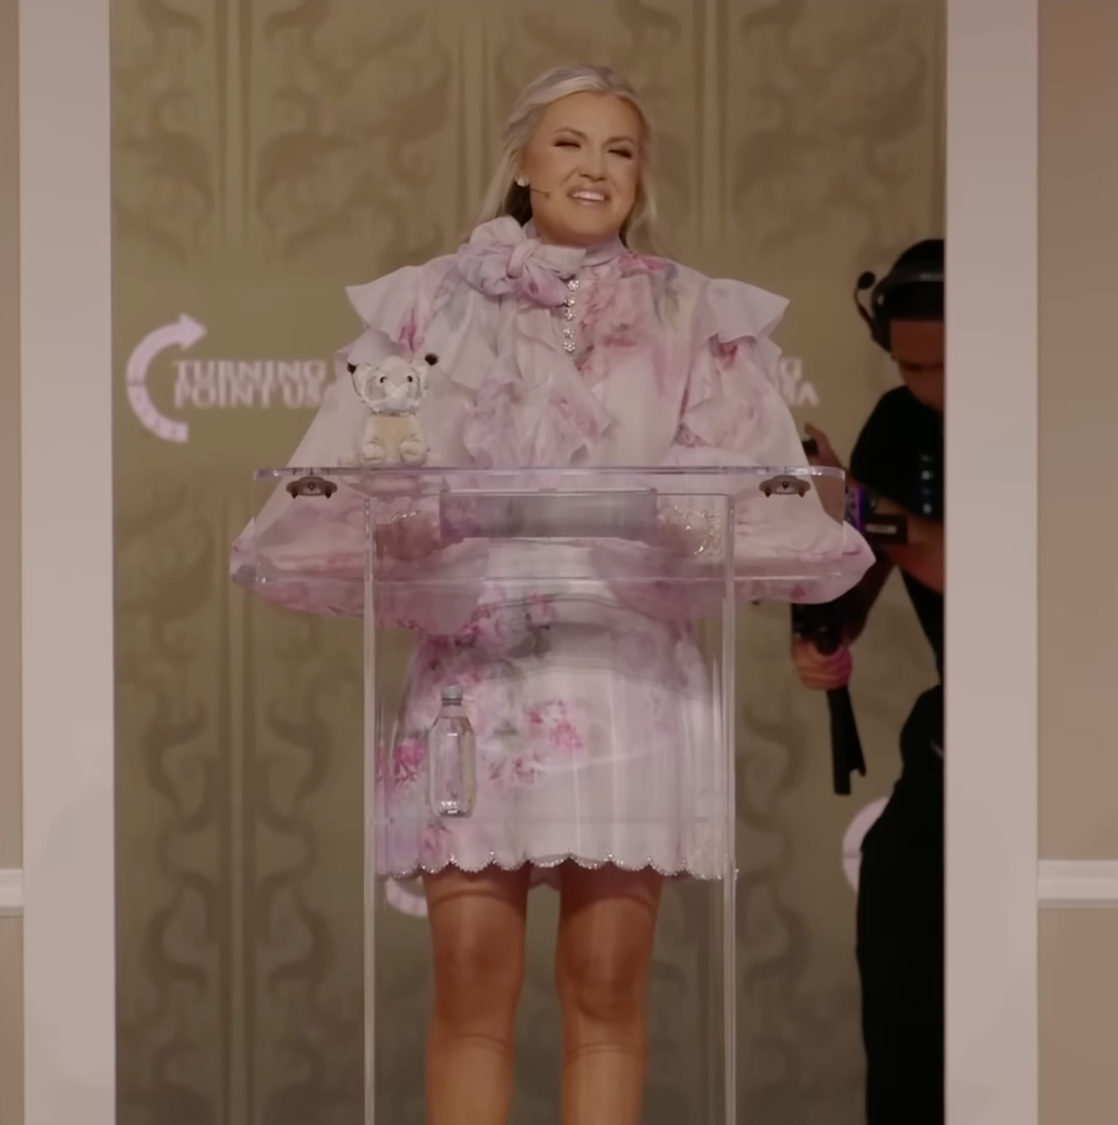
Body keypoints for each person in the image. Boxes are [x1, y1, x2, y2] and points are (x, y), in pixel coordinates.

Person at [232, 65, 871, 1125]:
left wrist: (654, 512)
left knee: (607, 991)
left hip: (627, 678)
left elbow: (745, 504)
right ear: (522, 163)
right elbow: (353, 486)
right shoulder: (430, 303)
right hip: (474, 679)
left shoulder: (692, 311)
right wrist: (423, 511)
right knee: (470, 987)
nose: (594, 168)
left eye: (620, 151)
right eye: (570, 143)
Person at [795, 238, 945, 1125]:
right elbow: (867, 569)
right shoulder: (898, 423)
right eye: (911, 367)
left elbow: (965, 563)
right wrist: (826, 632)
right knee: (898, 937)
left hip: (1051, 733)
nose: (930, 387)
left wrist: (849, 497)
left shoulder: (1040, 412)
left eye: (947, 367)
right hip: (948, 741)